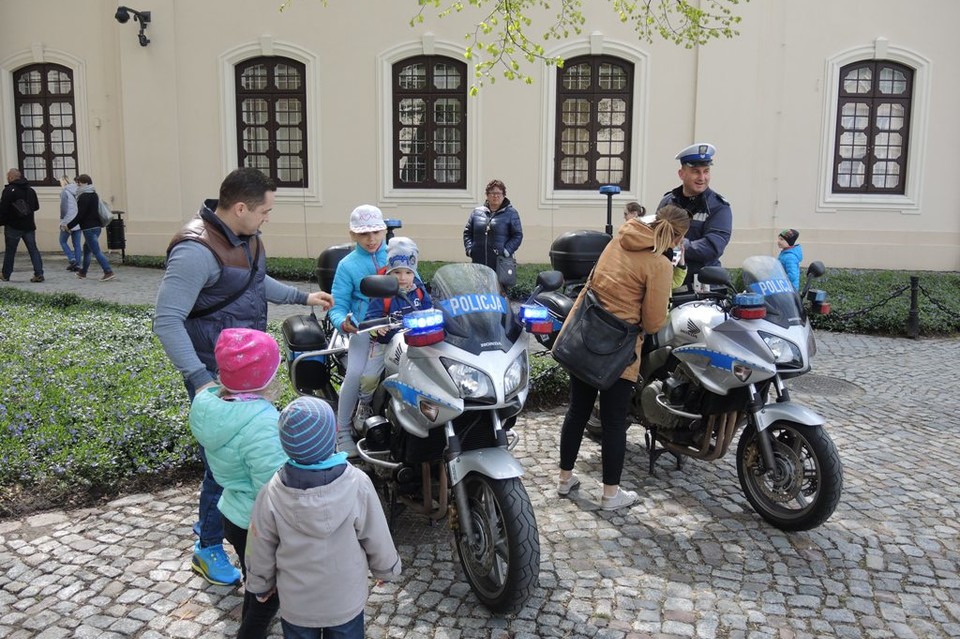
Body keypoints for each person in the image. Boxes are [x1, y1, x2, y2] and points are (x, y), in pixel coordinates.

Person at [152, 167, 333, 588]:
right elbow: (166, 320)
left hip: (245, 372)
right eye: (265, 211)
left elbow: (252, 281)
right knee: (224, 465)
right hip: (215, 375)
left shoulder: (243, 237)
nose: (268, 217)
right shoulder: (195, 251)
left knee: (233, 457)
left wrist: (301, 296)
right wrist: (200, 379)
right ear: (239, 208)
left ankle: (222, 523)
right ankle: (209, 545)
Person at [556, 204, 690, 510]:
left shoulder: (619, 239)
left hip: (587, 335)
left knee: (577, 411)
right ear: (677, 237)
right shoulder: (659, 265)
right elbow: (654, 321)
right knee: (615, 422)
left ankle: (565, 479)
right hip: (619, 350)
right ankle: (611, 495)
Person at [246, 395, 402, 639]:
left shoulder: (272, 492)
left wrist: (261, 584)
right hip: (345, 600)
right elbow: (376, 531)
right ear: (333, 435)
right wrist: (386, 570)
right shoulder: (357, 483)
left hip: (297, 604)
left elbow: (260, 544)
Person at [189, 328, 285, 639]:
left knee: (255, 582)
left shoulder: (208, 406)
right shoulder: (262, 423)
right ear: (264, 377)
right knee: (269, 594)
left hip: (233, 512)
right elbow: (272, 488)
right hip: (258, 525)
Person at [327, 204, 389, 458]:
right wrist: (344, 323)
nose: (371, 239)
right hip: (365, 330)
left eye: (375, 232)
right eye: (364, 234)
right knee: (354, 374)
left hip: (397, 328)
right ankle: (342, 432)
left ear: (384, 230)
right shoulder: (347, 265)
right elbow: (337, 306)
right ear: (353, 235)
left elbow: (415, 285)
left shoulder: (396, 256)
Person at [354, 236, 433, 431]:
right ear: (389, 272)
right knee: (369, 376)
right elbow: (371, 317)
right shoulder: (384, 292)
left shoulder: (419, 292)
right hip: (386, 343)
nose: (403, 277)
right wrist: (377, 327)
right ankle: (364, 404)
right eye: (397, 272)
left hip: (414, 342)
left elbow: (431, 309)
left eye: (408, 272)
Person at [657, 143, 732, 284]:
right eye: (696, 171)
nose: (702, 178)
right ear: (681, 174)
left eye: (706, 171)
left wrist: (678, 243)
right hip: (670, 280)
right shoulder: (667, 201)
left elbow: (713, 246)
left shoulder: (719, 207)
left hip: (703, 285)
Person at [462, 179, 523, 272]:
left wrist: (506, 251)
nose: (495, 196)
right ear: (487, 195)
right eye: (492, 193)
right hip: (479, 261)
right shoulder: (477, 212)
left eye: (499, 193)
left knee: (498, 286)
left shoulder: (511, 213)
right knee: (479, 286)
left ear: (503, 195)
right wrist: (470, 249)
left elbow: (517, 235)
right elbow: (467, 232)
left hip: (500, 262)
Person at [0, 168, 44, 283]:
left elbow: (3, 209)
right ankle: (39, 273)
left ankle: (6, 274)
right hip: (29, 225)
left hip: (13, 225)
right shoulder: (30, 190)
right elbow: (36, 207)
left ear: (11, 177)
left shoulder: (9, 190)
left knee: (10, 251)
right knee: (33, 249)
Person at [70, 174, 115, 282]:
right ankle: (83, 272)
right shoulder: (94, 194)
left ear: (85, 183)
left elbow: (80, 215)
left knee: (96, 251)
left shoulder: (83, 196)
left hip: (88, 228)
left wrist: (69, 225)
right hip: (97, 226)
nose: (78, 185)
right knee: (87, 249)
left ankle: (108, 271)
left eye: (79, 182)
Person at [58, 176, 82, 272]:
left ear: (64, 182)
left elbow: (63, 208)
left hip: (67, 221)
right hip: (77, 220)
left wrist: (62, 219)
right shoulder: (78, 191)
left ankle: (71, 258)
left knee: (62, 241)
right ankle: (78, 264)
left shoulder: (65, 192)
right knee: (77, 244)